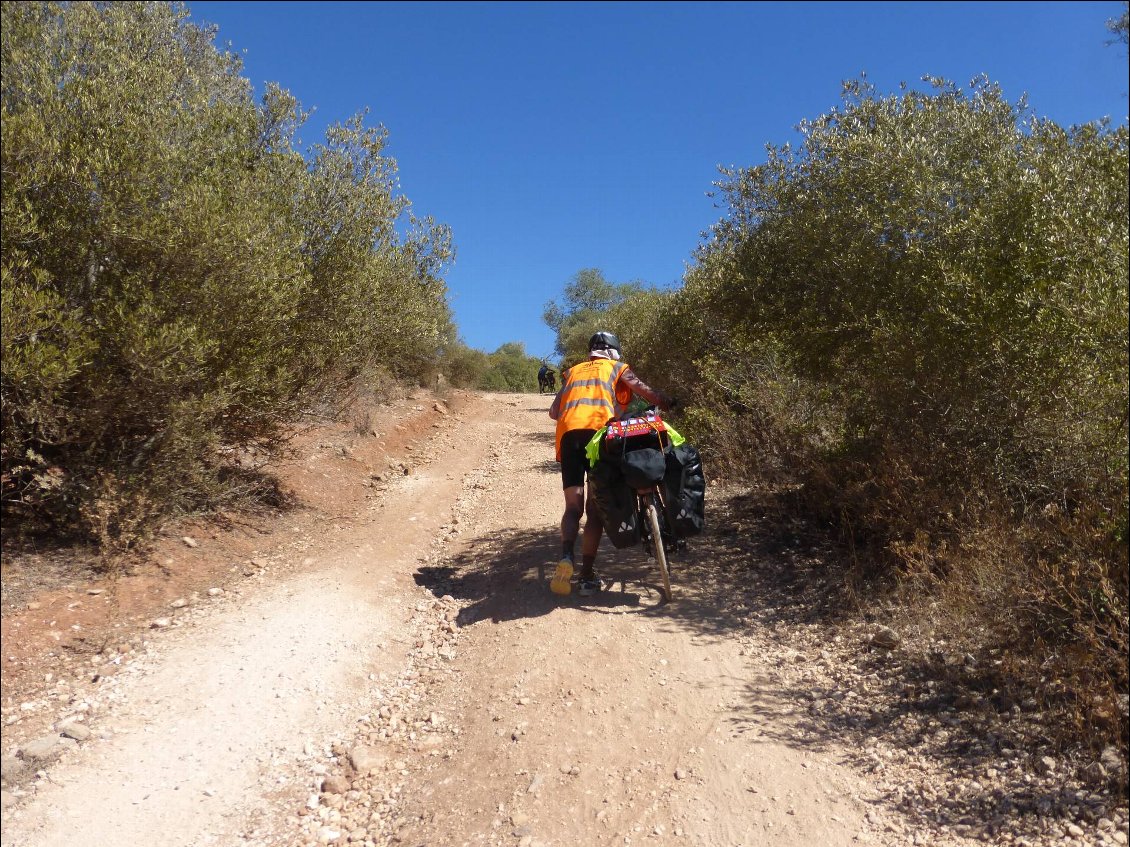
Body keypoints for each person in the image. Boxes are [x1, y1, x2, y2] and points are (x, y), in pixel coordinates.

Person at [548, 331, 671, 596]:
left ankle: (566, 557)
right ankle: (587, 575)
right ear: (613, 350)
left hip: (569, 437)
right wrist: (667, 401)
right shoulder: (617, 368)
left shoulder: (572, 372)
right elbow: (645, 391)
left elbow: (553, 412)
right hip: (598, 436)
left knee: (572, 507)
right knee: (595, 510)